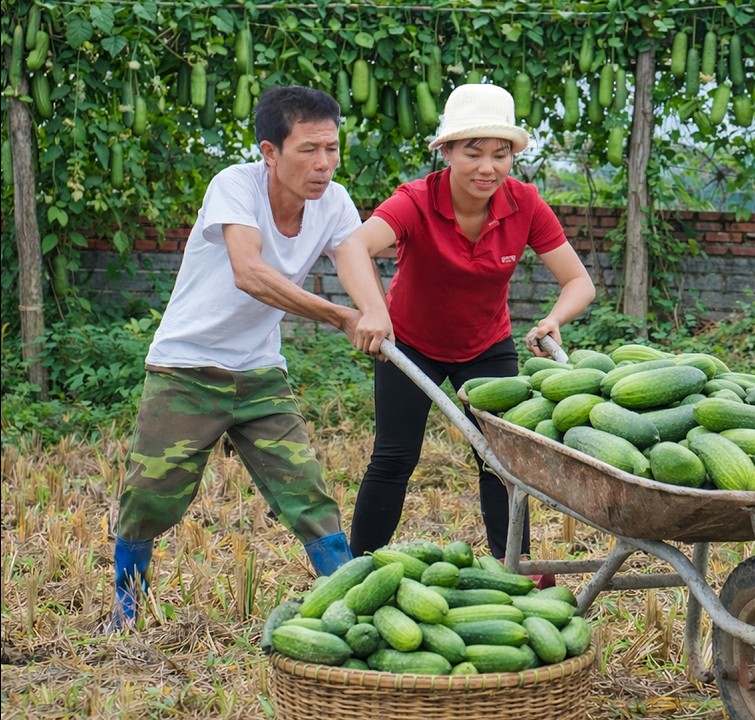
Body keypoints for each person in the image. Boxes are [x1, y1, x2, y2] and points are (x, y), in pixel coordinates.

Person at [113, 85, 387, 628]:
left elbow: (354, 257)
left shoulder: (333, 202)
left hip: (260, 374)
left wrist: (374, 311)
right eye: (309, 149)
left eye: (332, 148)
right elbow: (250, 272)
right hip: (186, 368)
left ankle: (350, 611)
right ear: (270, 151)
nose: (324, 164)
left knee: (307, 492)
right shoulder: (234, 186)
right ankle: (127, 609)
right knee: (150, 497)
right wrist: (339, 316)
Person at [340, 84, 596, 578]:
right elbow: (353, 247)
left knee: (501, 461)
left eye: (500, 154)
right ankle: (357, 570)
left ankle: (512, 565)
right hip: (411, 344)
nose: (487, 167)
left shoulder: (524, 204)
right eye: (473, 152)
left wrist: (553, 319)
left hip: (486, 347)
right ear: (448, 152)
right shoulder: (415, 200)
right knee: (394, 457)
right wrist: (373, 310)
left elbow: (577, 282)